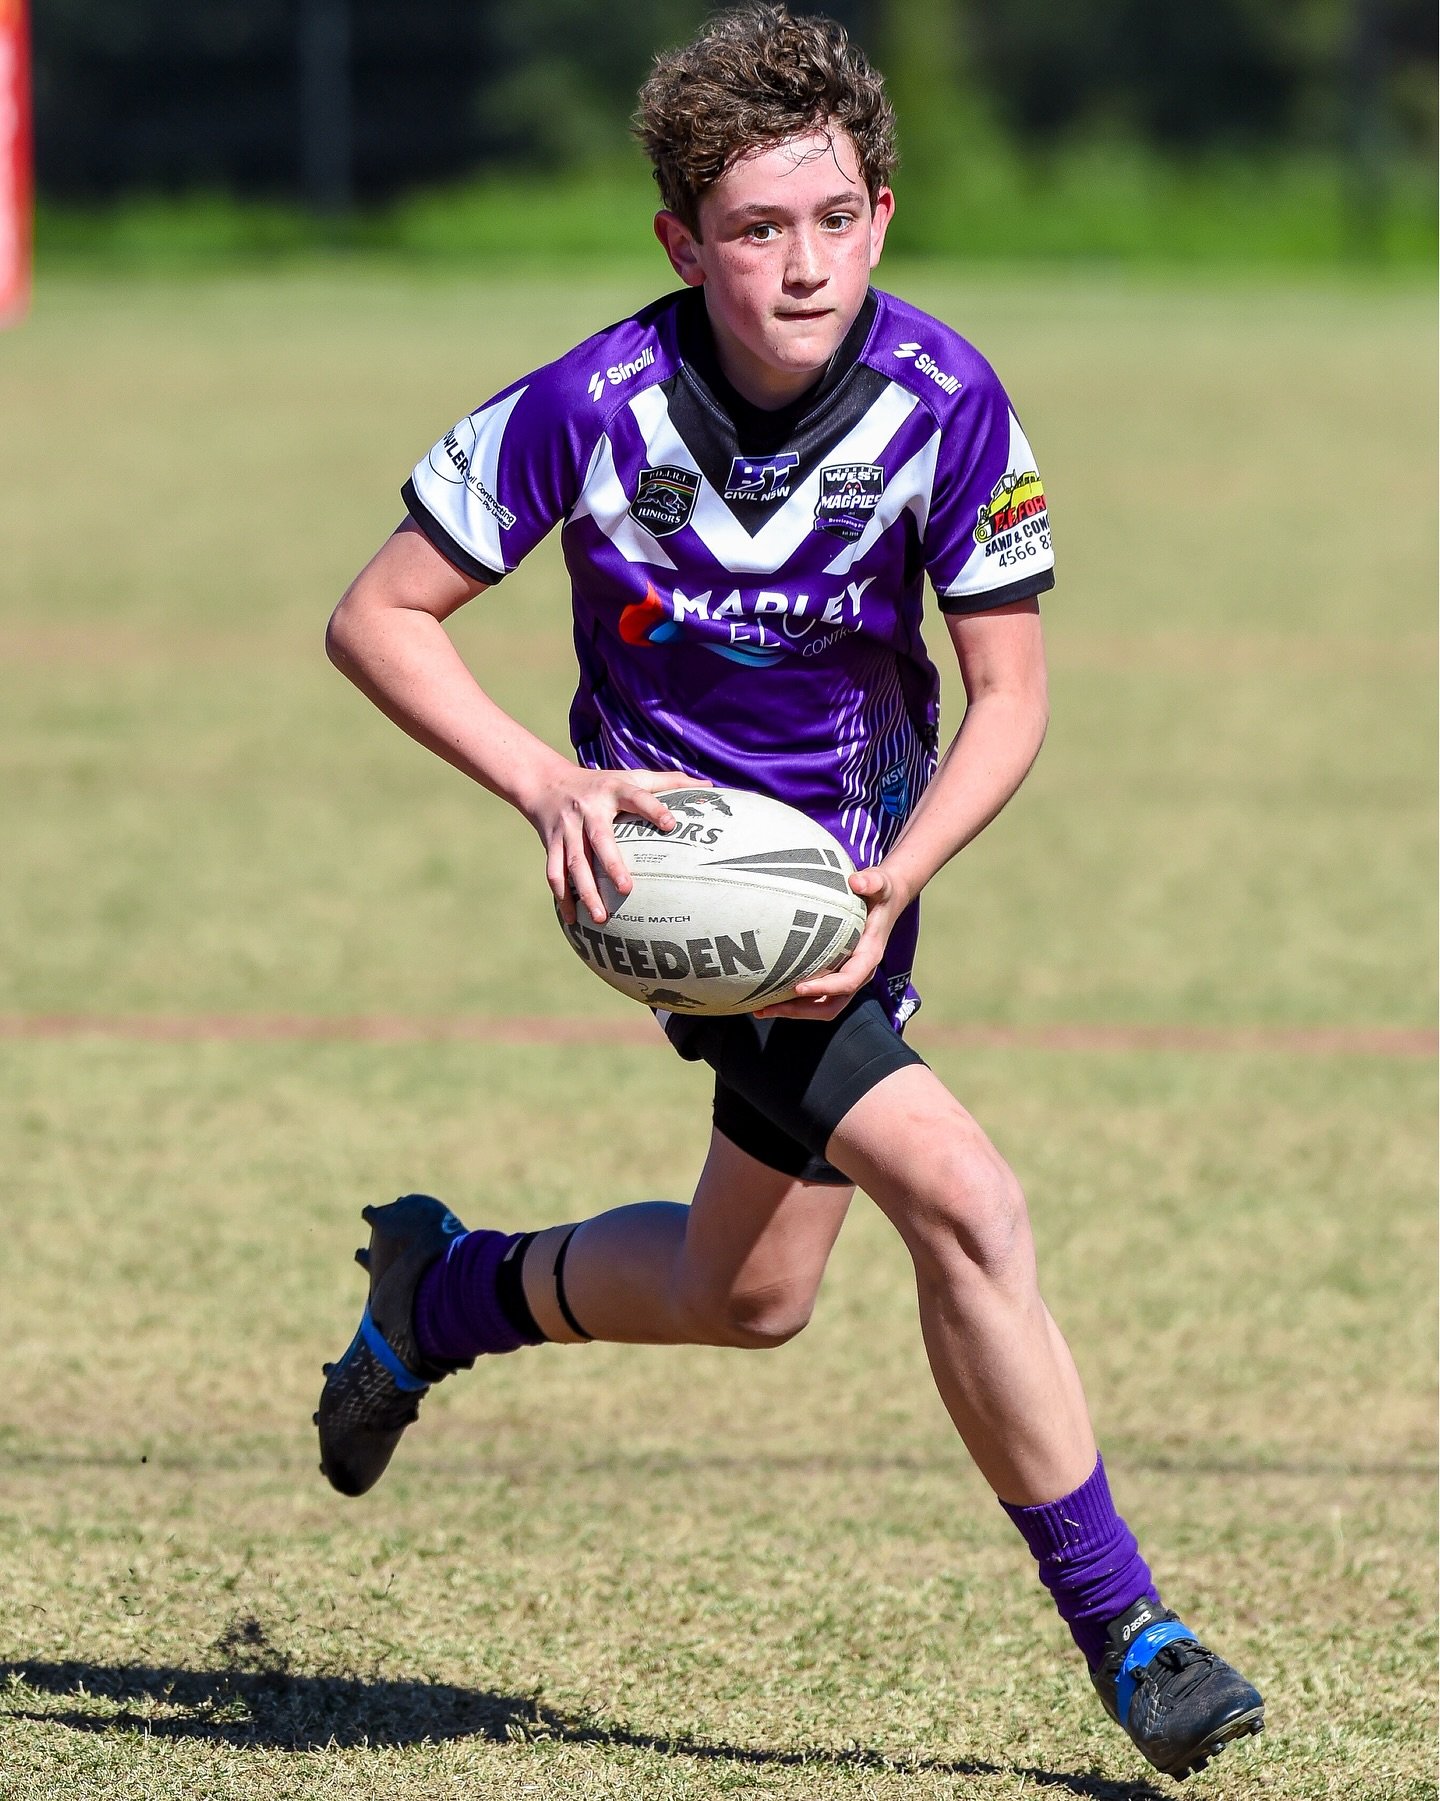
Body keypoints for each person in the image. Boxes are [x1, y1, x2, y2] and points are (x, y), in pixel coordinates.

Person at [316, 5, 1264, 1781]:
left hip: (864, 880)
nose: (804, 263)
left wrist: (898, 878)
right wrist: (547, 780)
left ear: (883, 213)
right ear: (684, 241)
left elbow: (1011, 694)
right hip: (700, 899)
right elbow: (376, 616)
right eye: (757, 229)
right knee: (969, 1203)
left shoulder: (946, 401)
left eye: (835, 218)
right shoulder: (593, 404)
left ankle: (438, 1294)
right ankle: (1134, 1629)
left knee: (745, 1291)